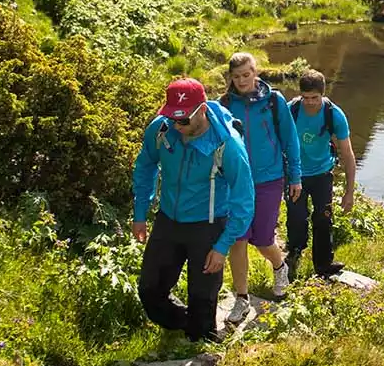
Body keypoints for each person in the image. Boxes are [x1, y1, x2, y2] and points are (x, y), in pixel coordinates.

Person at [131, 77, 254, 343]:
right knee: (149, 291)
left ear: (202, 110)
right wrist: (140, 213)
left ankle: (201, 337)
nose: (177, 125)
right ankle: (183, 321)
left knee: (203, 301)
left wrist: (222, 247)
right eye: (172, 118)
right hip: (168, 221)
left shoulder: (228, 145)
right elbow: (145, 168)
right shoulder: (161, 130)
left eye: (184, 120)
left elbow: (244, 201)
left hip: (208, 226)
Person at [220, 52, 301, 325]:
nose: (242, 80)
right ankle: (241, 299)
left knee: (263, 240)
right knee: (237, 238)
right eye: (237, 76)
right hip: (236, 182)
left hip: (269, 179)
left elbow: (290, 140)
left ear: (256, 73)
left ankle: (280, 267)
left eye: (247, 74)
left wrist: (296, 177)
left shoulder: (274, 101)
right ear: (230, 78)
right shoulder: (224, 104)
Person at [287, 69, 357, 280]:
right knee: (297, 218)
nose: (309, 102)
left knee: (323, 218)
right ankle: (294, 254)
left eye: (314, 98)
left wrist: (349, 192)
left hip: (322, 173)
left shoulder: (333, 114)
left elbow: (347, 154)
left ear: (323, 94)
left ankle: (323, 264)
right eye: (305, 97)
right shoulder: (291, 110)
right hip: (295, 174)